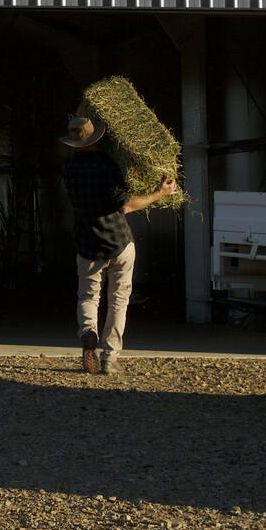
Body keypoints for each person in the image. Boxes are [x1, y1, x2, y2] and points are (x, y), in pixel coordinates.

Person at [58, 111, 177, 375]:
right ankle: (109, 358)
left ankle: (88, 332)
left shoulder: (68, 168)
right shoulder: (106, 165)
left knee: (88, 295)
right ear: (96, 139)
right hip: (118, 242)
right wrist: (160, 192)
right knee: (118, 301)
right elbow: (125, 204)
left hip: (87, 242)